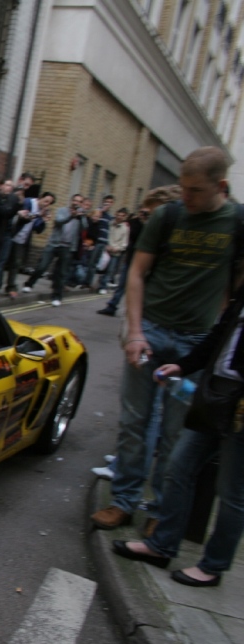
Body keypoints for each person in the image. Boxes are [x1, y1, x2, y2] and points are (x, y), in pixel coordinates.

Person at [91, 147, 241, 533]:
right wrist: (136, 332)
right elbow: (137, 274)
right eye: (183, 187)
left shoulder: (237, 222)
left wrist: (220, 335)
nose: (185, 197)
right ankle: (123, 501)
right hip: (153, 332)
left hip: (197, 340)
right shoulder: (168, 216)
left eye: (195, 191)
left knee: (178, 432)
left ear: (220, 186)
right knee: (134, 422)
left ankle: (159, 511)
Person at [111, 280, 244, 587]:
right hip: (217, 393)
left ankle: (213, 567)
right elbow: (218, 337)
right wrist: (183, 367)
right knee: (179, 467)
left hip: (240, 405)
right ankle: (161, 546)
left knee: (232, 492)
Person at [22, 194, 87, 307]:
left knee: (61, 273)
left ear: (81, 204)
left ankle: (57, 296)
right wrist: (71, 216)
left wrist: (81, 217)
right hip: (54, 243)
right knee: (42, 266)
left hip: (67, 246)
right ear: (71, 201)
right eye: (75, 200)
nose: (76, 203)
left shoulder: (81, 216)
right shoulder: (62, 210)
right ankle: (29, 284)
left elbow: (85, 228)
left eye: (79, 202)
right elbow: (58, 221)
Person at [97, 207, 129, 294]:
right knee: (101, 267)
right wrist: (107, 245)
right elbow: (106, 235)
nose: (119, 217)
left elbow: (124, 243)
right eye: (118, 215)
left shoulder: (125, 229)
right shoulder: (110, 224)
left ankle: (103, 286)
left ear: (125, 217)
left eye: (122, 216)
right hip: (106, 249)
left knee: (110, 270)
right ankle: (99, 282)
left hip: (115, 252)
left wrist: (117, 248)